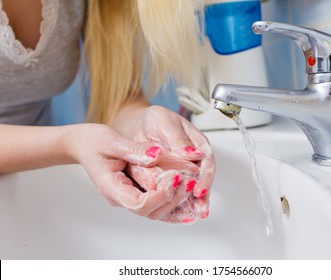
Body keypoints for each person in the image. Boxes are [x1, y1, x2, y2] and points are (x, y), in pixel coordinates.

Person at [0, 0, 216, 224]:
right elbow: (73, 141)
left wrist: (143, 125)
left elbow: (120, 97)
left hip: (31, 193)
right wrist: (69, 142)